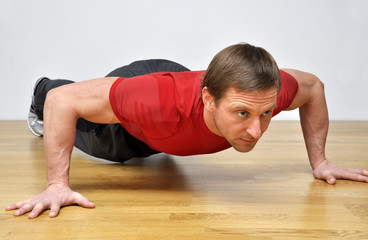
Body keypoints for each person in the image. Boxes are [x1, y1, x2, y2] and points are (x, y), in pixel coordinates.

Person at [6, 43, 368, 219]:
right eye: (242, 113)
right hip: (135, 119)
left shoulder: (269, 90)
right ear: (208, 99)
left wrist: (320, 161)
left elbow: (314, 86)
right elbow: (62, 101)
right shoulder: (154, 102)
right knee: (89, 129)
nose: (257, 131)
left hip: (170, 82)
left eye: (267, 113)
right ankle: (37, 87)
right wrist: (57, 185)